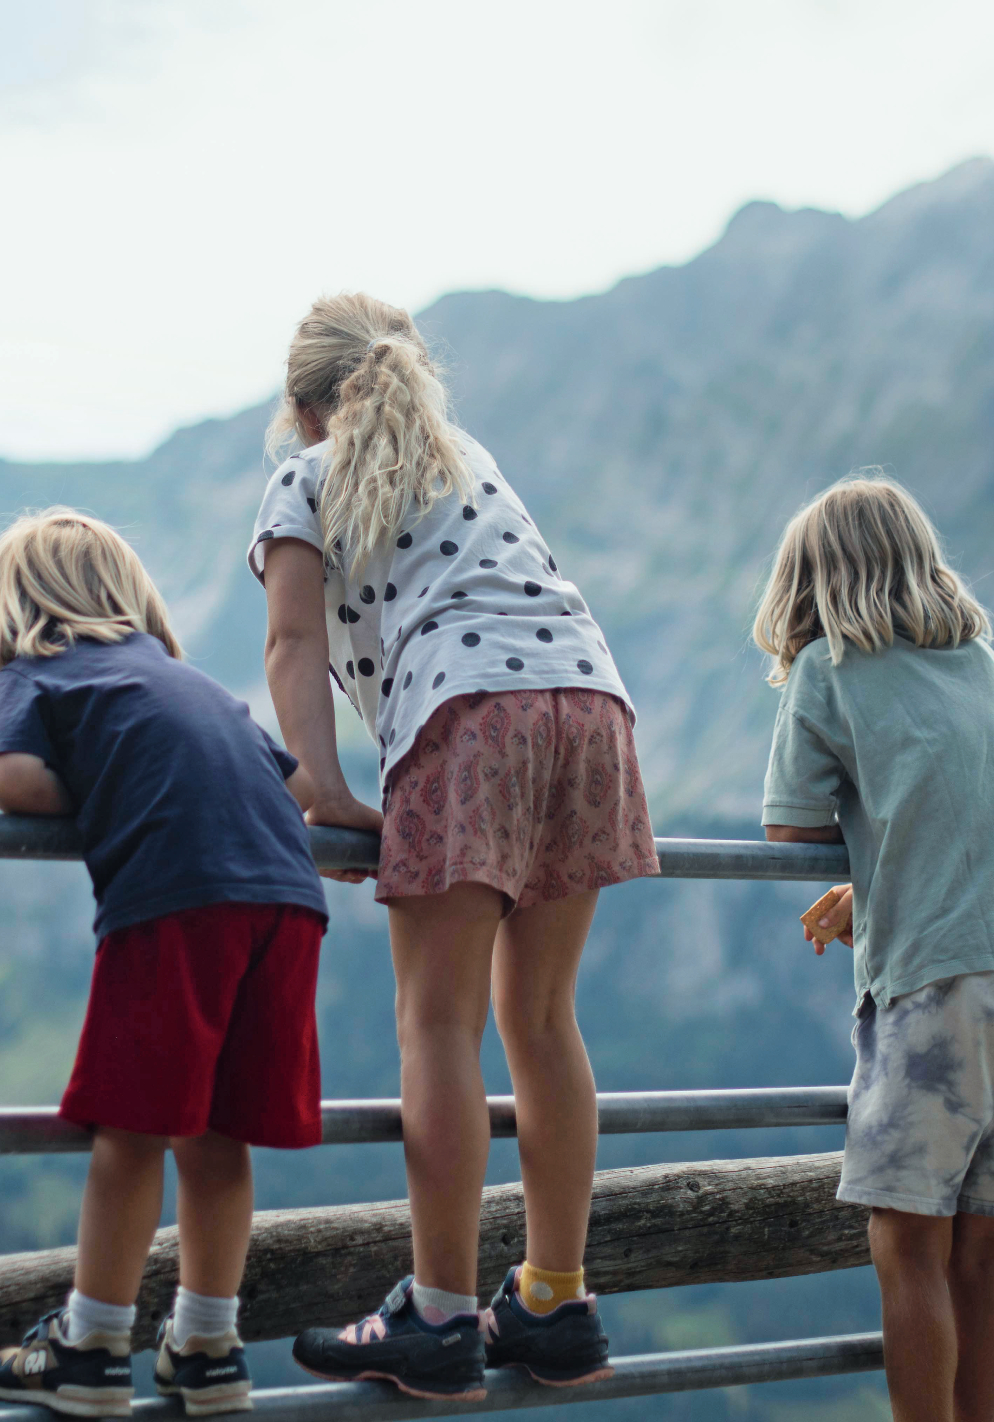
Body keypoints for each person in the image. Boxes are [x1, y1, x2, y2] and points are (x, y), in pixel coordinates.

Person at [250, 293, 656, 1402]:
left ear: (301, 406)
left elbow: (290, 643)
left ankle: (434, 1317)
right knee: (542, 1018)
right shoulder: (464, 456)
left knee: (437, 1021)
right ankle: (551, 1302)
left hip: (469, 713)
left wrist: (324, 789)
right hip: (591, 704)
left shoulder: (306, 475)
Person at [0, 509, 328, 1418]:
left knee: (129, 1130)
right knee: (218, 1133)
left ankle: (90, 1346)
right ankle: (208, 1344)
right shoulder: (184, 677)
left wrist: (96, 790)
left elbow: (8, 778)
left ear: (13, 609)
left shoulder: (39, 671)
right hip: (287, 899)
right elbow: (285, 782)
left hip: (178, 896)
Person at [756, 474, 994, 1422]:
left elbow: (787, 830)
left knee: (908, 1249)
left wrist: (865, 867)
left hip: (939, 990)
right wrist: (875, 888)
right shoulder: (985, 663)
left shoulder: (829, 668)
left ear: (812, 579)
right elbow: (971, 823)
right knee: (985, 1252)